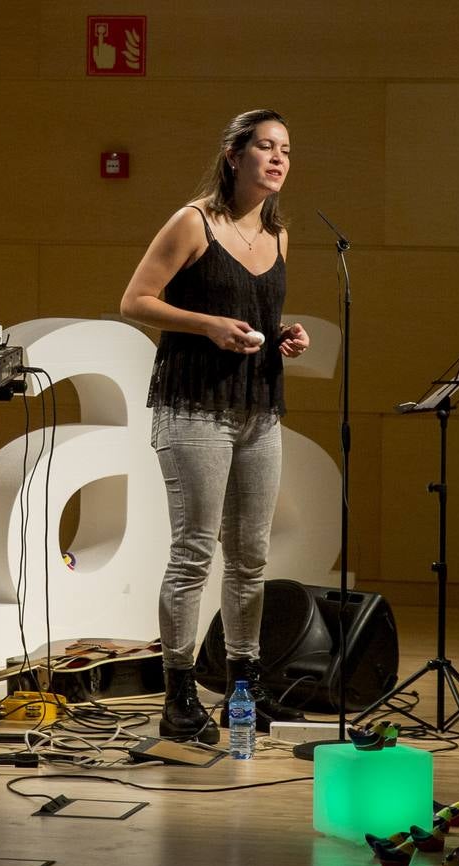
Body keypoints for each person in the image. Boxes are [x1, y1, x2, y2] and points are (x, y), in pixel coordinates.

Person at [118, 109, 312, 737]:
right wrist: (207, 326)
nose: (278, 159)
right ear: (234, 155)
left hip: (259, 409)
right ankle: (178, 697)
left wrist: (283, 335)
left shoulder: (280, 236)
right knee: (194, 553)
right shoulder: (193, 222)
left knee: (250, 557)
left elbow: (255, 314)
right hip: (194, 407)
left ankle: (243, 689)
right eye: (266, 146)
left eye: (286, 149)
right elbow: (135, 301)